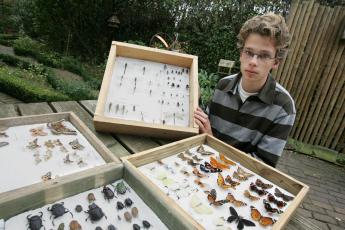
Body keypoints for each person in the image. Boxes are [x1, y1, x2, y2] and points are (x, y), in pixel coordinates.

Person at [194, 13, 295, 167]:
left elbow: (262, 166)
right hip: (199, 165)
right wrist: (194, 98)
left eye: (264, 56)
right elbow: (204, 126)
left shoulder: (284, 107)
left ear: (276, 62)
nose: (253, 62)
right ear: (241, 54)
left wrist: (211, 141)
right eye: (249, 52)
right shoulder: (223, 85)